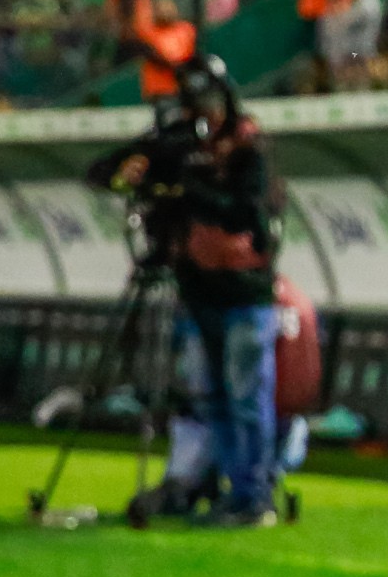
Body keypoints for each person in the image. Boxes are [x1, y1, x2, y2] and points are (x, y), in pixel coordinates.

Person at [115, 62, 284, 524]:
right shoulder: (183, 150)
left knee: (246, 400)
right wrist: (143, 172)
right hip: (198, 291)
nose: (199, 117)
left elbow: (243, 214)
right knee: (213, 400)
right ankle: (230, 490)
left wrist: (188, 190)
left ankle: (254, 496)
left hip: (244, 294)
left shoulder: (248, 151)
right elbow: (108, 174)